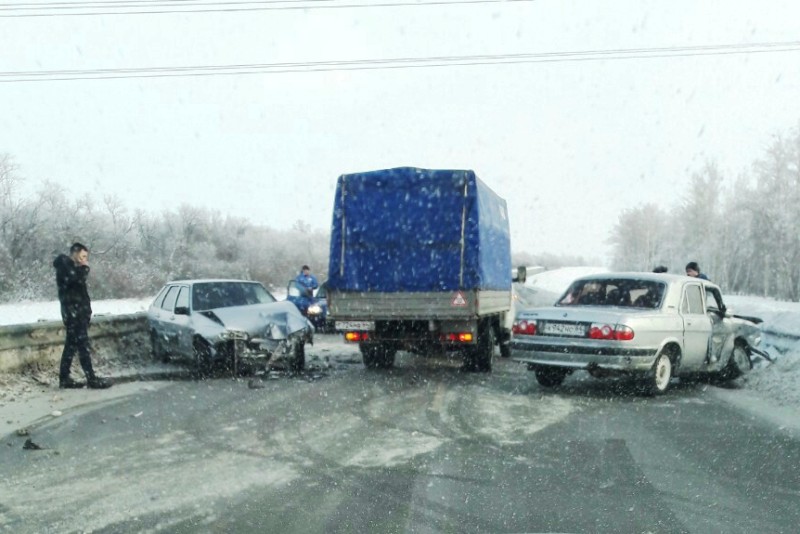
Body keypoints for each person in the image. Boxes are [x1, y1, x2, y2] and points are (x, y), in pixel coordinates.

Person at [53, 243, 112, 389]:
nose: (85, 260)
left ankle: (65, 378)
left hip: (77, 313)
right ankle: (91, 379)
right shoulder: (65, 265)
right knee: (82, 345)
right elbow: (76, 280)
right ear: (75, 252)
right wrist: (85, 268)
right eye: (83, 256)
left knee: (71, 346)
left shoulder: (71, 267)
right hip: (74, 314)